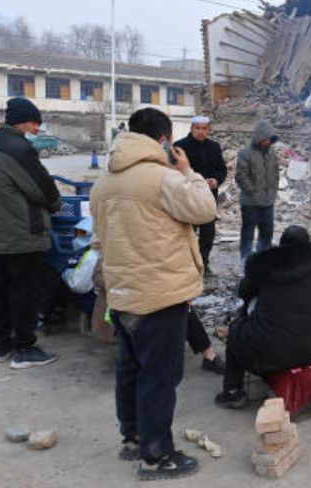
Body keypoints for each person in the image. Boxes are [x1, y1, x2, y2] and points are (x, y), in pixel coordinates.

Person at [90, 107, 216, 480]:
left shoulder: (104, 182)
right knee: (159, 377)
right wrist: (188, 172)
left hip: (122, 291)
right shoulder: (162, 178)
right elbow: (205, 209)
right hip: (159, 293)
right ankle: (157, 455)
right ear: (163, 139)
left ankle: (132, 437)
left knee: (130, 369)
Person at [215, 225, 311, 409]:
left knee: (235, 330)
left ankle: (233, 393)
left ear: (281, 246)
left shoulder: (264, 266)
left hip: (266, 352)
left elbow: (243, 292)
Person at [0, 97, 62, 369]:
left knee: (1, 292)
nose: (37, 129)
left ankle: (1, 346)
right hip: (21, 234)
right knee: (24, 293)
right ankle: (24, 349)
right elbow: (43, 188)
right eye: (35, 122)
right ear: (23, 122)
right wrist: (56, 204)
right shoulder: (18, 148)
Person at [174, 116, 227, 274]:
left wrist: (216, 180)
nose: (201, 132)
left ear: (209, 130)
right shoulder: (180, 146)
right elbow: (174, 172)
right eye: (197, 128)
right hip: (188, 198)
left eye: (204, 129)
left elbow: (222, 169)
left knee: (208, 234)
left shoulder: (214, 147)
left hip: (209, 198)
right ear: (191, 128)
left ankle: (204, 262)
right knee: (187, 233)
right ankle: (187, 264)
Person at [235, 120, 279, 264]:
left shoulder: (271, 152)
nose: (267, 142)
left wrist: (273, 190)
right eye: (265, 139)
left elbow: (275, 172)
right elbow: (241, 176)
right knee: (248, 233)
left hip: (268, 201)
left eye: (269, 139)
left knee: (267, 233)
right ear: (258, 137)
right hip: (250, 202)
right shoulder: (245, 153)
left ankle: (263, 261)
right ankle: (245, 261)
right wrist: (253, 191)